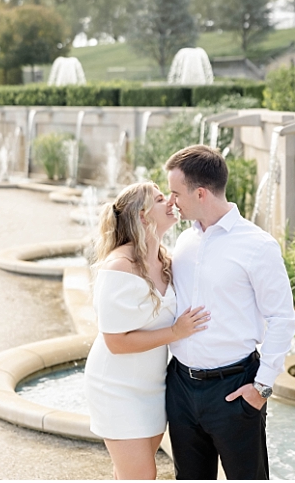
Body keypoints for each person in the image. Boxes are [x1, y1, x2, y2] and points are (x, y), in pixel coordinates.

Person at [163, 144, 295, 480]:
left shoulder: (258, 245)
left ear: (201, 193)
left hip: (235, 388)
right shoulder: (183, 242)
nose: (171, 202)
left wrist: (261, 388)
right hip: (180, 387)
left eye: (175, 193)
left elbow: (282, 318)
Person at [84, 182, 211, 480]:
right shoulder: (119, 266)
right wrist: (177, 333)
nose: (170, 202)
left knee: (129, 474)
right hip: (116, 387)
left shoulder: (164, 259)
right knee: (141, 476)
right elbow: (115, 342)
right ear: (143, 215)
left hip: (152, 386)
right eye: (159, 199)